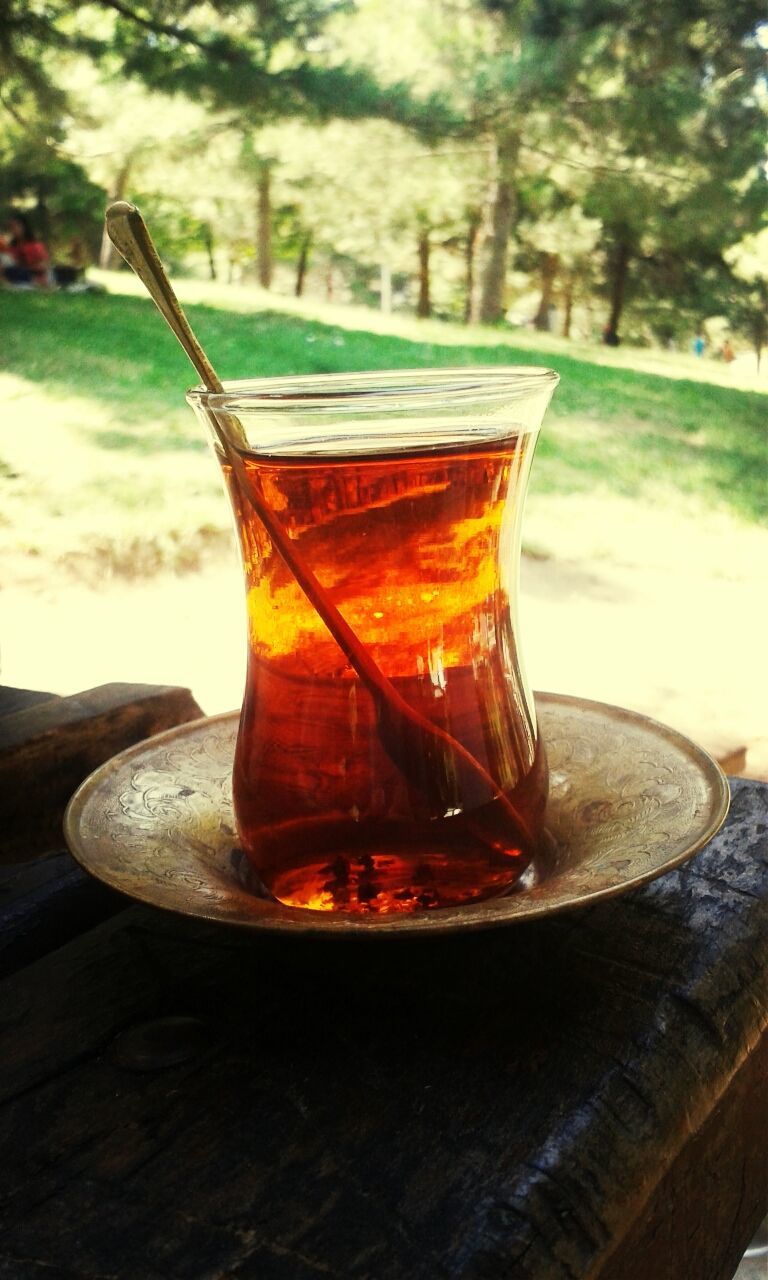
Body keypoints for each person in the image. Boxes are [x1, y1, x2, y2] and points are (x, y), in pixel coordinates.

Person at [1, 212, 52, 287]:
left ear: (23, 226)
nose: (13, 230)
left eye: (15, 226)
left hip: (32, 276)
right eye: (11, 227)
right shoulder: (12, 246)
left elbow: (44, 265)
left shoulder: (35, 245)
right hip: (14, 275)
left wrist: (27, 267)